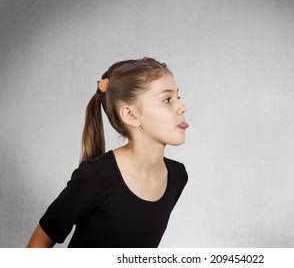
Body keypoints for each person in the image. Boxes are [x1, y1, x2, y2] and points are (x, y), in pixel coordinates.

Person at [26, 57, 189, 248]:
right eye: (167, 99)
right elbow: (36, 246)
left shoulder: (178, 176)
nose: (182, 107)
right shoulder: (94, 177)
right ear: (130, 115)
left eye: (179, 97)